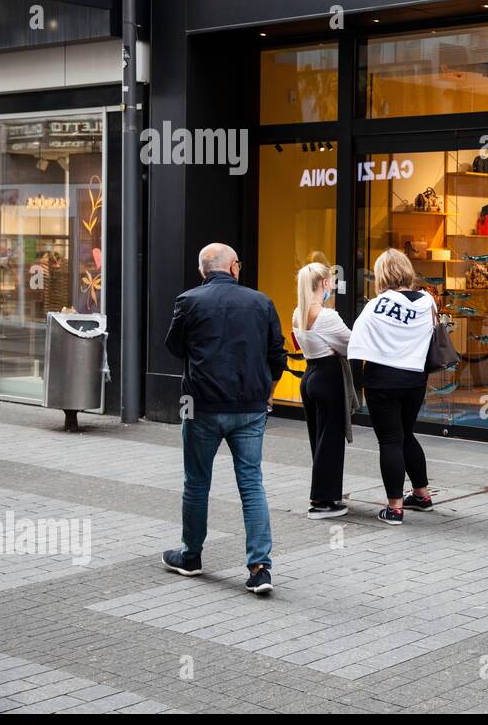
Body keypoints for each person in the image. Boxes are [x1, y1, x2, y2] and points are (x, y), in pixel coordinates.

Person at [162, 243, 286, 595]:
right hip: (250, 406)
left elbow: (173, 347)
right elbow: (277, 356)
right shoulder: (262, 302)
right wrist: (269, 392)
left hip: (199, 404)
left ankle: (191, 555)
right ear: (234, 266)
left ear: (204, 270)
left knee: (196, 482)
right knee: (251, 483)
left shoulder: (188, 301)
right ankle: (260, 568)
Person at [348, 249, 436, 524]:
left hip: (382, 381)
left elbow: (356, 345)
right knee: (406, 433)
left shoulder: (375, 306)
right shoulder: (427, 302)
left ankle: (394, 508)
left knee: (389, 440)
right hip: (414, 379)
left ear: (381, 275)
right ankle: (421, 495)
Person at [292, 261, 354, 520]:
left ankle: (324, 492)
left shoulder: (299, 311)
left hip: (309, 376)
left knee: (318, 438)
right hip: (329, 377)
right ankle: (323, 501)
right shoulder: (327, 316)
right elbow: (350, 343)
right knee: (330, 440)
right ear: (326, 283)